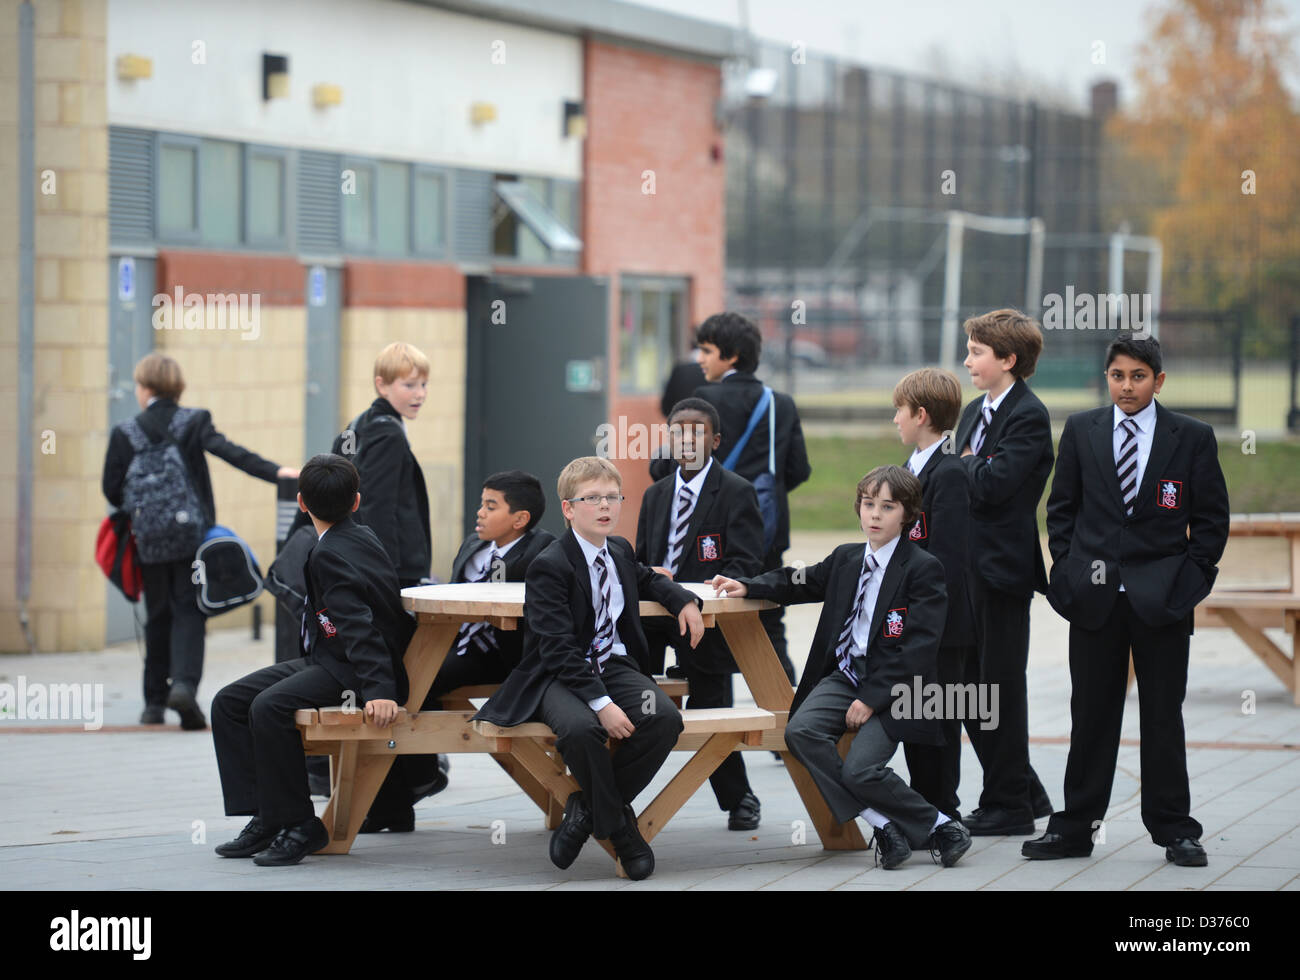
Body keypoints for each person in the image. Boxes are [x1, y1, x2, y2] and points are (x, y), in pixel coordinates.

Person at [1023, 335, 1229, 867]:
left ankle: (1175, 829)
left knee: (1163, 715)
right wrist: (1067, 574)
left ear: (1158, 381)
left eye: (1138, 376)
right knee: (1091, 715)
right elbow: (1062, 509)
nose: (1126, 386)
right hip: (1094, 600)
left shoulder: (1191, 438)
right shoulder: (1082, 430)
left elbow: (1210, 522)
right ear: (1107, 377)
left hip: (1161, 600)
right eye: (1118, 375)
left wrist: (1186, 584)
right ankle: (1074, 828)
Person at [710, 465, 972, 870]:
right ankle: (883, 824)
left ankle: (943, 826)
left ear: (907, 515)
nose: (875, 515)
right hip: (847, 675)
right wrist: (750, 585)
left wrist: (870, 699)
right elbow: (800, 581)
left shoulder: (922, 568)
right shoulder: (847, 558)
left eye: (887, 507)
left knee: (861, 771)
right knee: (800, 731)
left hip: (898, 690)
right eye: (869, 504)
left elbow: (919, 649)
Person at [474, 457, 706, 880]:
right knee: (582, 730)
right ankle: (621, 830)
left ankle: (586, 808)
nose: (606, 506)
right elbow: (558, 649)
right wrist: (602, 704)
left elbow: (647, 579)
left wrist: (684, 599)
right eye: (593, 498)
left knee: (665, 719)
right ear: (568, 509)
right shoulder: (549, 564)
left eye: (612, 497)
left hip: (613, 663)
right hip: (560, 673)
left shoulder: (617, 549)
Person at [210, 454, 415, 866]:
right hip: (332, 659)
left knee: (269, 707)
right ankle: (268, 817)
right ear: (357, 501)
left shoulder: (332, 552)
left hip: (355, 671)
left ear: (300, 503)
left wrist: (379, 690)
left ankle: (300, 824)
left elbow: (359, 626)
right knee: (229, 702)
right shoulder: (356, 536)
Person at [101, 353, 296, 730]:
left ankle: (153, 703)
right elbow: (231, 453)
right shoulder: (194, 421)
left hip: (149, 540)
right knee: (189, 611)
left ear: (144, 389)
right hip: (191, 538)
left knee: (157, 614)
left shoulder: (125, 433)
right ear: (178, 387)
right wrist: (278, 473)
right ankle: (186, 688)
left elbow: (111, 488)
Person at [362, 470, 556, 833]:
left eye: (490, 506)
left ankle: (411, 786)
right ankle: (406, 790)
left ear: (520, 519)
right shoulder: (474, 546)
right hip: (461, 646)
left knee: (409, 685)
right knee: (392, 682)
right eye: (481, 504)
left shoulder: (543, 552)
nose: (479, 513)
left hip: (506, 658)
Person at [285, 341, 431, 794]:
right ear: (381, 384)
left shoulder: (359, 425)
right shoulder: (387, 432)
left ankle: (406, 779)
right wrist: (381, 570)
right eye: (408, 384)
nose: (419, 393)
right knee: (406, 664)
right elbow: (381, 507)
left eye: (424, 384)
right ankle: (411, 776)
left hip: (352, 560)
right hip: (386, 567)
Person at [635, 398, 765, 830]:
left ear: (715, 440)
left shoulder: (736, 492)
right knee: (630, 698)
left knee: (712, 709)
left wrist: (717, 584)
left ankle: (739, 799)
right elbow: (639, 561)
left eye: (696, 432)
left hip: (705, 622)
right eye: (678, 431)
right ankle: (615, 791)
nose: (686, 439)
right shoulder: (655, 495)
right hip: (654, 620)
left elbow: (747, 564)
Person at [953, 309, 1055, 836]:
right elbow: (959, 478)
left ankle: (1008, 805)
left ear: (1008, 360)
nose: (967, 360)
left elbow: (995, 486)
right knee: (968, 688)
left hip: (1002, 574)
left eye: (976, 352)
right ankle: (1023, 788)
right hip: (963, 571)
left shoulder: (1028, 416)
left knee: (998, 688)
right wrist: (970, 465)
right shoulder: (973, 413)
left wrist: (967, 466)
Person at [670, 313, 811, 687]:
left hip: (710, 540)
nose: (699, 358)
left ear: (730, 356)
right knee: (767, 626)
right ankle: (788, 729)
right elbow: (799, 469)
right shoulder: (780, 402)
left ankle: (725, 741)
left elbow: (672, 467)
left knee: (708, 631)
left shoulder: (702, 400)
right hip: (766, 534)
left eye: (706, 350)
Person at [891, 368, 973, 822]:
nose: (895, 420)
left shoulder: (951, 473)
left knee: (939, 722)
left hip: (940, 626)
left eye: (899, 411)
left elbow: (948, 560)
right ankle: (926, 809)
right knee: (915, 720)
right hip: (911, 619)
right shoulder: (909, 470)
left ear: (921, 415)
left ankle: (944, 813)